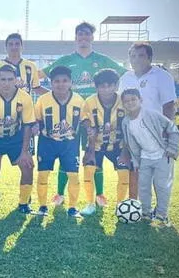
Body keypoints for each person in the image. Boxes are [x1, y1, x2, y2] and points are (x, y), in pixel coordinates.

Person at [41, 22, 128, 207]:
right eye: (80, 34)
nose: (83, 37)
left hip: (97, 118)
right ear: (75, 37)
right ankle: (59, 194)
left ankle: (100, 195)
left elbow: (126, 75)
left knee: (98, 153)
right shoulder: (65, 59)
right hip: (70, 116)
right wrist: (48, 95)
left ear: (92, 37)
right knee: (66, 153)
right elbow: (38, 76)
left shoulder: (103, 60)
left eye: (87, 34)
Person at [0, 33, 48, 203]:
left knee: (26, 157)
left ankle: (25, 198)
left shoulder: (30, 66)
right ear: (6, 47)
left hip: (25, 118)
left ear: (22, 46)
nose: (14, 47)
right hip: (0, 117)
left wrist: (55, 95)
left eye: (17, 43)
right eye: (11, 44)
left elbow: (36, 88)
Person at [118, 42, 177, 199]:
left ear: (150, 58)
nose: (136, 59)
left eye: (141, 55)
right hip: (133, 134)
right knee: (136, 171)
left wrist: (165, 133)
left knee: (160, 175)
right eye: (132, 56)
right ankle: (135, 207)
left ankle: (161, 212)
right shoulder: (125, 78)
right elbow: (123, 107)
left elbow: (169, 105)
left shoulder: (162, 76)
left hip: (156, 133)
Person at [0, 64, 36, 214]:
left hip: (15, 138)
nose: (6, 83)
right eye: (3, 79)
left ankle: (23, 203)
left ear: (16, 80)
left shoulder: (25, 97)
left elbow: (28, 126)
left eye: (10, 79)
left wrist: (25, 152)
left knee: (28, 165)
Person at [119, 88, 179, 226]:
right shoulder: (125, 122)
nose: (130, 103)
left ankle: (161, 216)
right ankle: (146, 213)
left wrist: (172, 148)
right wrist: (136, 161)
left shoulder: (152, 114)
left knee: (161, 186)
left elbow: (173, 129)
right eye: (126, 101)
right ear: (123, 104)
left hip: (162, 155)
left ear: (140, 100)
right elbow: (131, 144)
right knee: (143, 187)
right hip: (145, 158)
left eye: (133, 99)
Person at [35, 66, 86, 218]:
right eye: (56, 81)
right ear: (51, 83)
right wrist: (35, 127)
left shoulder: (79, 100)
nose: (61, 84)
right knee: (43, 175)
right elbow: (36, 120)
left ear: (70, 82)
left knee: (73, 176)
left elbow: (85, 121)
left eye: (64, 81)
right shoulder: (43, 100)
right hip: (47, 142)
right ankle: (42, 206)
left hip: (70, 144)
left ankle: (72, 207)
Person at [80, 69, 129, 215]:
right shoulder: (89, 101)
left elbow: (129, 127)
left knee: (124, 171)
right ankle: (90, 204)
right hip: (96, 145)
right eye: (102, 86)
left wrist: (126, 152)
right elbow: (86, 121)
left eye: (110, 85)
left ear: (116, 85)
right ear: (96, 87)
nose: (106, 89)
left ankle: (120, 206)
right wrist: (89, 150)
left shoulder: (124, 101)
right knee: (88, 169)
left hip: (118, 145)